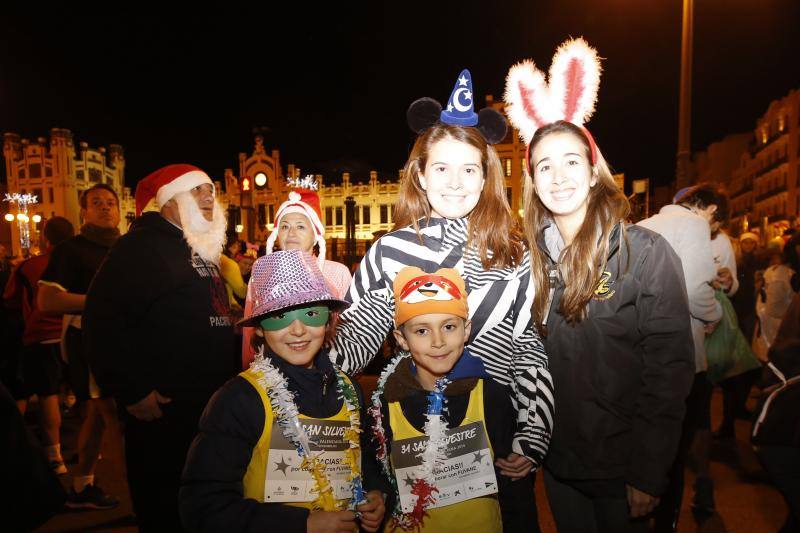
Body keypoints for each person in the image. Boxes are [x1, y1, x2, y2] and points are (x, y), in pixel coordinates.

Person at [504, 38, 694, 532]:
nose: (558, 176)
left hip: (622, 471)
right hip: (560, 467)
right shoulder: (530, 262)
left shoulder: (644, 253)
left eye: (571, 161)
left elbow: (669, 373)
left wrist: (649, 472)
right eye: (544, 166)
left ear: (593, 173)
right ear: (533, 182)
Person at [331, 69, 552, 494]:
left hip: (495, 428)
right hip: (413, 427)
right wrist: (301, 368)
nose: (455, 183)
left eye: (469, 169)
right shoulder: (389, 251)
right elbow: (356, 340)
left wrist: (533, 431)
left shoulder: (516, 254)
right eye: (442, 168)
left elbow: (528, 346)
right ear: (420, 175)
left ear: (485, 177)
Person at [180, 250, 387, 532]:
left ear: (328, 321)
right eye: (280, 316)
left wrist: (376, 494)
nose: (298, 330)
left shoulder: (349, 391)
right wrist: (303, 524)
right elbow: (203, 507)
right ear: (260, 329)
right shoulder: (239, 400)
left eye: (311, 314)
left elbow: (365, 462)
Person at [83, 164, 236, 532]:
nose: (209, 197)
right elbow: (102, 318)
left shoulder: (193, 245)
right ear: (169, 201)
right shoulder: (143, 246)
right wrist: (132, 390)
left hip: (204, 406)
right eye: (196, 190)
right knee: (165, 504)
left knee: (203, 501)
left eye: (211, 190)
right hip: (165, 410)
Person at [370, 266, 536, 532]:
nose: (438, 341)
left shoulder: (490, 395)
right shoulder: (385, 402)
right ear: (402, 339)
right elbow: (376, 475)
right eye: (421, 331)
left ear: (466, 330)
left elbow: (514, 485)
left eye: (449, 327)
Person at [638, 183, 728, 526]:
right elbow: (692, 288)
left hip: (641, 351)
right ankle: (666, 519)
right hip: (680, 352)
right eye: (715, 223)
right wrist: (715, 313)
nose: (712, 229)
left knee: (646, 441)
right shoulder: (693, 224)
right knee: (674, 448)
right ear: (711, 209)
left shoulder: (645, 224)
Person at [37, 183, 121, 510]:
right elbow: (47, 300)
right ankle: (143, 496)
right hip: (90, 341)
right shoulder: (71, 250)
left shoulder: (125, 248)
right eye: (96, 202)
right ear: (84, 211)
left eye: (110, 202)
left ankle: (82, 486)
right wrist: (100, 301)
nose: (105, 207)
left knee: (98, 418)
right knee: (115, 416)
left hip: (122, 340)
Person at [241, 179, 352, 368]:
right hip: (275, 373)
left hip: (329, 370)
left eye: (300, 226)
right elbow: (251, 334)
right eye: (284, 226)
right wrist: (251, 370)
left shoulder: (337, 273)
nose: (291, 233)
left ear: (315, 235)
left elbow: (349, 331)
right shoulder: (262, 273)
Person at [3, 216, 74, 474]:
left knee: (47, 395)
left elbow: (10, 298)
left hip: (42, 335)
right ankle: (91, 446)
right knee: (87, 395)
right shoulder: (79, 262)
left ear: (46, 238)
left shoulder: (30, 266)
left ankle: (55, 456)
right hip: (74, 333)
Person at [716, 231, 767, 439]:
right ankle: (730, 420)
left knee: (736, 373)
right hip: (734, 319)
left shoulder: (754, 265)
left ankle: (730, 421)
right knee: (734, 373)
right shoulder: (732, 267)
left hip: (742, 319)